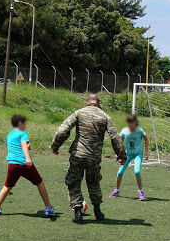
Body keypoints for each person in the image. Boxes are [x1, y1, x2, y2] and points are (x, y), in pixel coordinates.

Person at [51, 94, 127, 224]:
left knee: (74, 182)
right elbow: (115, 137)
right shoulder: (105, 116)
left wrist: (55, 146)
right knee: (93, 182)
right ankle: (98, 211)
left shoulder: (78, 113)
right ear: (98, 103)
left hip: (78, 155)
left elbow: (62, 130)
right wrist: (121, 155)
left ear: (87, 102)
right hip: (94, 157)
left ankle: (78, 212)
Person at [0, 115, 55, 217]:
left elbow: (18, 146)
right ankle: (48, 208)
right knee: (39, 182)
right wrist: (27, 158)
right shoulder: (23, 133)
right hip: (24, 164)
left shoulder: (9, 135)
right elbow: (23, 145)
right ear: (20, 123)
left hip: (12, 164)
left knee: (7, 186)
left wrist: (26, 148)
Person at [109, 114, 149, 200]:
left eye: (132, 122)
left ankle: (140, 192)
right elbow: (120, 143)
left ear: (135, 122)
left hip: (138, 154)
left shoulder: (139, 131)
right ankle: (116, 190)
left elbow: (146, 139)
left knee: (137, 172)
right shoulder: (124, 131)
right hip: (128, 154)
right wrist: (118, 154)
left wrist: (146, 152)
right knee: (120, 172)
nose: (130, 124)